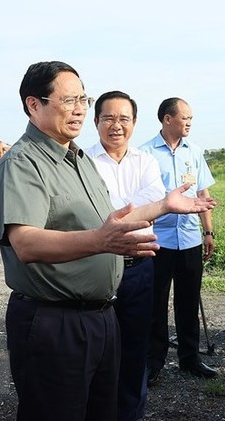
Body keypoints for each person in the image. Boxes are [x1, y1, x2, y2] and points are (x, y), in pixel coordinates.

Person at [0, 62, 214, 421]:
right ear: (34, 104)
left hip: (99, 316)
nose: (79, 108)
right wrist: (100, 241)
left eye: (83, 99)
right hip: (54, 321)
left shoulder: (78, 160)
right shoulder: (23, 163)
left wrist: (163, 205)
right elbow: (25, 243)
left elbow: (112, 221)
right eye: (68, 99)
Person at [85, 90, 166, 421]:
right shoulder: (83, 161)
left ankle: (130, 413)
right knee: (96, 348)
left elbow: (156, 201)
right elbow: (90, 211)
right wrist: (138, 206)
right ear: (96, 122)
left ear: (133, 123)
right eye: (108, 118)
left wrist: (112, 209)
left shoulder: (145, 160)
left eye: (123, 119)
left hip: (138, 267)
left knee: (135, 347)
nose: (116, 126)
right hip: (97, 268)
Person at [141, 97, 217, 382]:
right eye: (184, 118)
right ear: (167, 119)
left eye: (191, 119)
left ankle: (190, 358)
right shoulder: (145, 153)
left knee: (188, 300)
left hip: (189, 240)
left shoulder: (194, 153)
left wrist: (207, 231)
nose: (189, 123)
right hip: (157, 241)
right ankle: (154, 361)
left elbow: (202, 195)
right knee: (156, 304)